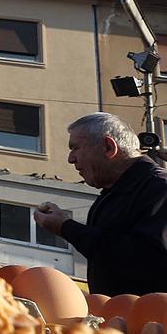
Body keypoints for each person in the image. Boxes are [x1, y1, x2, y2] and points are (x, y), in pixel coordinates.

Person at [34, 113, 167, 296]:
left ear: (108, 147)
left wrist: (66, 228)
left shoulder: (159, 188)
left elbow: (146, 258)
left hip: (149, 320)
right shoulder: (111, 194)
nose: (71, 159)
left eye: (75, 148)